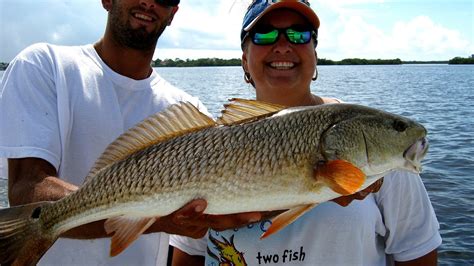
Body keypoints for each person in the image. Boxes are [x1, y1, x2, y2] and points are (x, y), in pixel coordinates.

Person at [169, 0, 442, 265]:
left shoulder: (387, 163)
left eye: (299, 34)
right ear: (244, 60)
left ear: (315, 55)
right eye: (264, 34)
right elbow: (188, 255)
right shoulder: (206, 148)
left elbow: (418, 252)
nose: (283, 45)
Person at [0, 0, 263, 265]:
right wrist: (157, 220)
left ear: (173, 13)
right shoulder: (44, 65)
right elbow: (27, 188)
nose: (149, 2)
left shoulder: (189, 109)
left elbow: (188, 243)